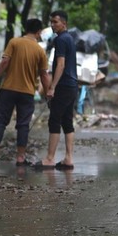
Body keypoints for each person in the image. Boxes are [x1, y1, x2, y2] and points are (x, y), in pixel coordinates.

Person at [0, 18, 51, 167]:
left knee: (0, 121)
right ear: (38, 32)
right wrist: (48, 92)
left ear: (25, 29)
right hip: (27, 92)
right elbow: (44, 74)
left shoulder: (14, 42)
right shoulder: (39, 50)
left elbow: (4, 62)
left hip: (8, 89)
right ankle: (20, 158)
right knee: (23, 125)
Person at [36, 10, 78, 170]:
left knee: (54, 120)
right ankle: (68, 158)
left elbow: (60, 64)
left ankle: (49, 158)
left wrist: (52, 87)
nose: (53, 25)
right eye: (51, 22)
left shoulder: (61, 40)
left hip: (63, 86)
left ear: (64, 23)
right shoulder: (70, 39)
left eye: (55, 22)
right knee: (67, 121)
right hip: (72, 85)